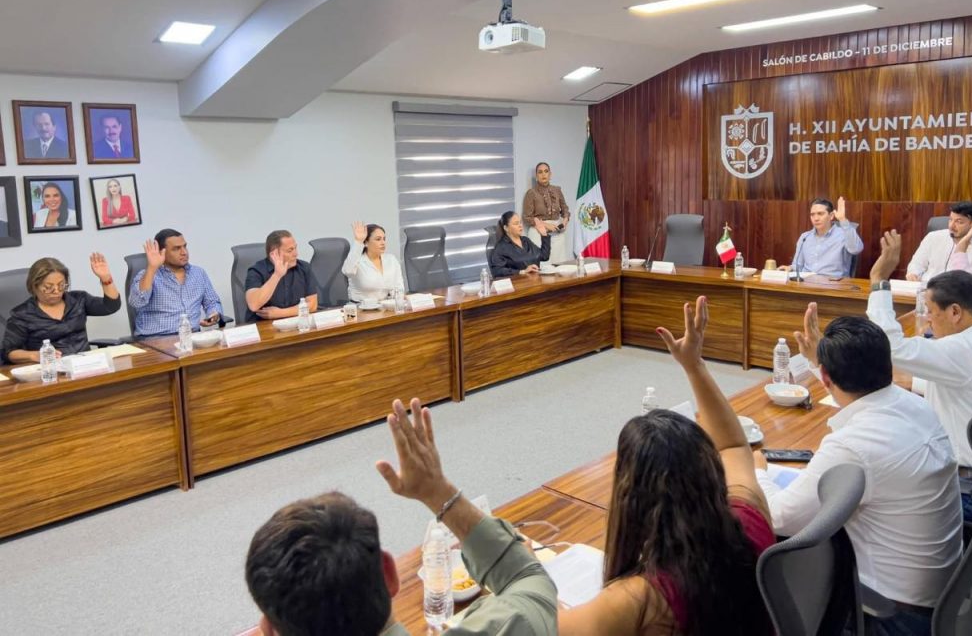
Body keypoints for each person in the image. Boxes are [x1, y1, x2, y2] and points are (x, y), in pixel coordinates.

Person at [245, 397, 558, 635]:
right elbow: (528, 579)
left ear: (268, 630)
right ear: (390, 574)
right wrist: (438, 492)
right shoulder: (511, 626)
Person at [559, 296, 773, 636]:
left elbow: (544, 624)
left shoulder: (639, 599)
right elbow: (734, 446)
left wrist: (527, 569)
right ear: (709, 472)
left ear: (631, 495)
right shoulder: (749, 519)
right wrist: (694, 365)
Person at [756, 308, 962, 634]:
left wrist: (757, 473)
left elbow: (781, 518)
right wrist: (819, 364)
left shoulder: (854, 445)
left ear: (826, 378)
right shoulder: (915, 405)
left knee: (762, 564)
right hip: (943, 595)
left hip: (893, 617)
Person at [866, 230, 972, 522]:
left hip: (968, 491)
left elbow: (889, 347)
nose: (927, 319)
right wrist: (913, 382)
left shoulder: (965, 349)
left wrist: (879, 280)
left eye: (930, 311)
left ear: (954, 312)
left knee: (866, 493)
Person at [1, 255, 120, 364]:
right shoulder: (22, 314)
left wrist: (106, 278)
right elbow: (9, 352)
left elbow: (111, 306)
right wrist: (34, 355)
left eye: (61, 285)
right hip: (50, 369)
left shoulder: (79, 300)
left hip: (85, 365)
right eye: (48, 287)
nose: (57, 291)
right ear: (34, 286)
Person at [129, 229, 224, 338]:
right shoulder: (148, 275)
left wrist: (214, 314)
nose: (184, 252)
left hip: (193, 337)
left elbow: (212, 302)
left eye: (185, 246)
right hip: (156, 339)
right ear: (161, 252)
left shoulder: (198, 273)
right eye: (176, 249)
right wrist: (151, 268)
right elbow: (137, 302)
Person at [906, 201, 972, 282]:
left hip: (959, 294)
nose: (951, 226)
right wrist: (913, 274)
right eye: (950, 219)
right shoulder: (933, 237)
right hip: (927, 289)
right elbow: (916, 264)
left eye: (959, 222)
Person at [244, 230, 318, 322]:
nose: (296, 254)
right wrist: (277, 275)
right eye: (290, 250)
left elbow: (312, 305)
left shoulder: (304, 268)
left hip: (295, 324)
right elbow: (254, 305)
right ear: (274, 254)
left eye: (295, 248)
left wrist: (280, 313)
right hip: (263, 327)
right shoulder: (256, 271)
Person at [781, 197, 863, 278]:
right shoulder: (805, 237)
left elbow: (856, 249)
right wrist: (790, 268)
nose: (816, 218)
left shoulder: (844, 234)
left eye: (820, 214)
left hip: (834, 284)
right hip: (807, 282)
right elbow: (798, 265)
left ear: (831, 216)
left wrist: (843, 220)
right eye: (812, 215)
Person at [343, 221, 405, 303]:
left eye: (384, 239)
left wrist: (399, 302)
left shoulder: (391, 260)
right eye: (378, 239)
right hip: (360, 307)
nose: (383, 243)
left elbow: (399, 288)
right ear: (366, 243)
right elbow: (347, 271)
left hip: (385, 306)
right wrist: (358, 241)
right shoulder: (357, 261)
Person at [522, 163, 571, 263]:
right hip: (539, 231)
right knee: (543, 265)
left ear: (550, 174)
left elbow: (565, 209)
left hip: (557, 231)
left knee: (559, 265)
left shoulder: (557, 190)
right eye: (540, 172)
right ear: (536, 176)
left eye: (546, 171)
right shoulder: (531, 193)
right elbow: (527, 217)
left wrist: (564, 222)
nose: (543, 174)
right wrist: (546, 225)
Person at [489, 212, 551, 277]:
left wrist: (544, 235)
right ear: (506, 228)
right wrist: (521, 272)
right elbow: (497, 271)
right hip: (518, 281)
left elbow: (544, 256)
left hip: (536, 279)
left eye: (520, 222)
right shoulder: (501, 246)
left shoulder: (526, 240)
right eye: (516, 223)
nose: (520, 225)